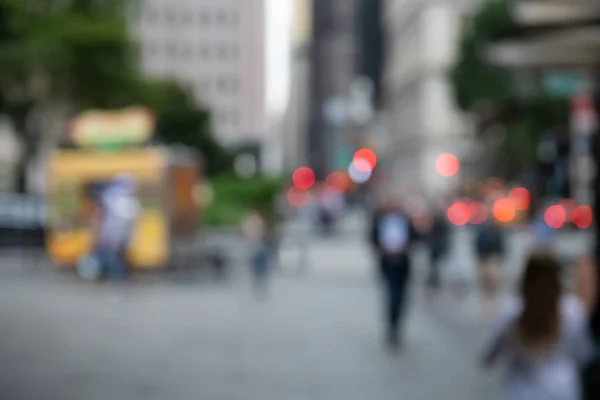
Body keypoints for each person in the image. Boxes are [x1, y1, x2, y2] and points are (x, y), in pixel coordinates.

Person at [481, 253, 597, 400]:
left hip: (523, 392)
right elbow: (584, 355)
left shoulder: (511, 313)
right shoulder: (573, 312)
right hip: (563, 390)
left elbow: (488, 355)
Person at [370, 193, 418, 349]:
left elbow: (415, 237)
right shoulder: (380, 218)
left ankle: (397, 325)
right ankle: (391, 327)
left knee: (402, 297)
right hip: (388, 261)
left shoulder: (406, 219)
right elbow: (373, 238)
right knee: (392, 295)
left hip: (403, 261)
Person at [95, 174, 140, 280]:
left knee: (114, 258)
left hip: (115, 236)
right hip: (119, 236)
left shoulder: (114, 198)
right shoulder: (124, 200)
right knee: (116, 258)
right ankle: (116, 276)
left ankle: (115, 276)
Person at [474, 213, 505, 315]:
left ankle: (491, 301)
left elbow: (501, 245)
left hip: (492, 258)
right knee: (486, 281)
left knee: (493, 281)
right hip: (486, 258)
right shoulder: (484, 230)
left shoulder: (496, 230)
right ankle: (488, 300)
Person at [241, 208, 274, 294]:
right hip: (255, 245)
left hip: (259, 245)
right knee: (257, 266)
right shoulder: (252, 221)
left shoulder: (252, 221)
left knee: (260, 265)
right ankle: (259, 282)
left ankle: (260, 282)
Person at [426, 201, 451, 298]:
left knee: (436, 268)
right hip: (435, 248)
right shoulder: (435, 222)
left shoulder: (438, 222)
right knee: (435, 268)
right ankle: (434, 285)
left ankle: (435, 285)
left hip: (437, 248)